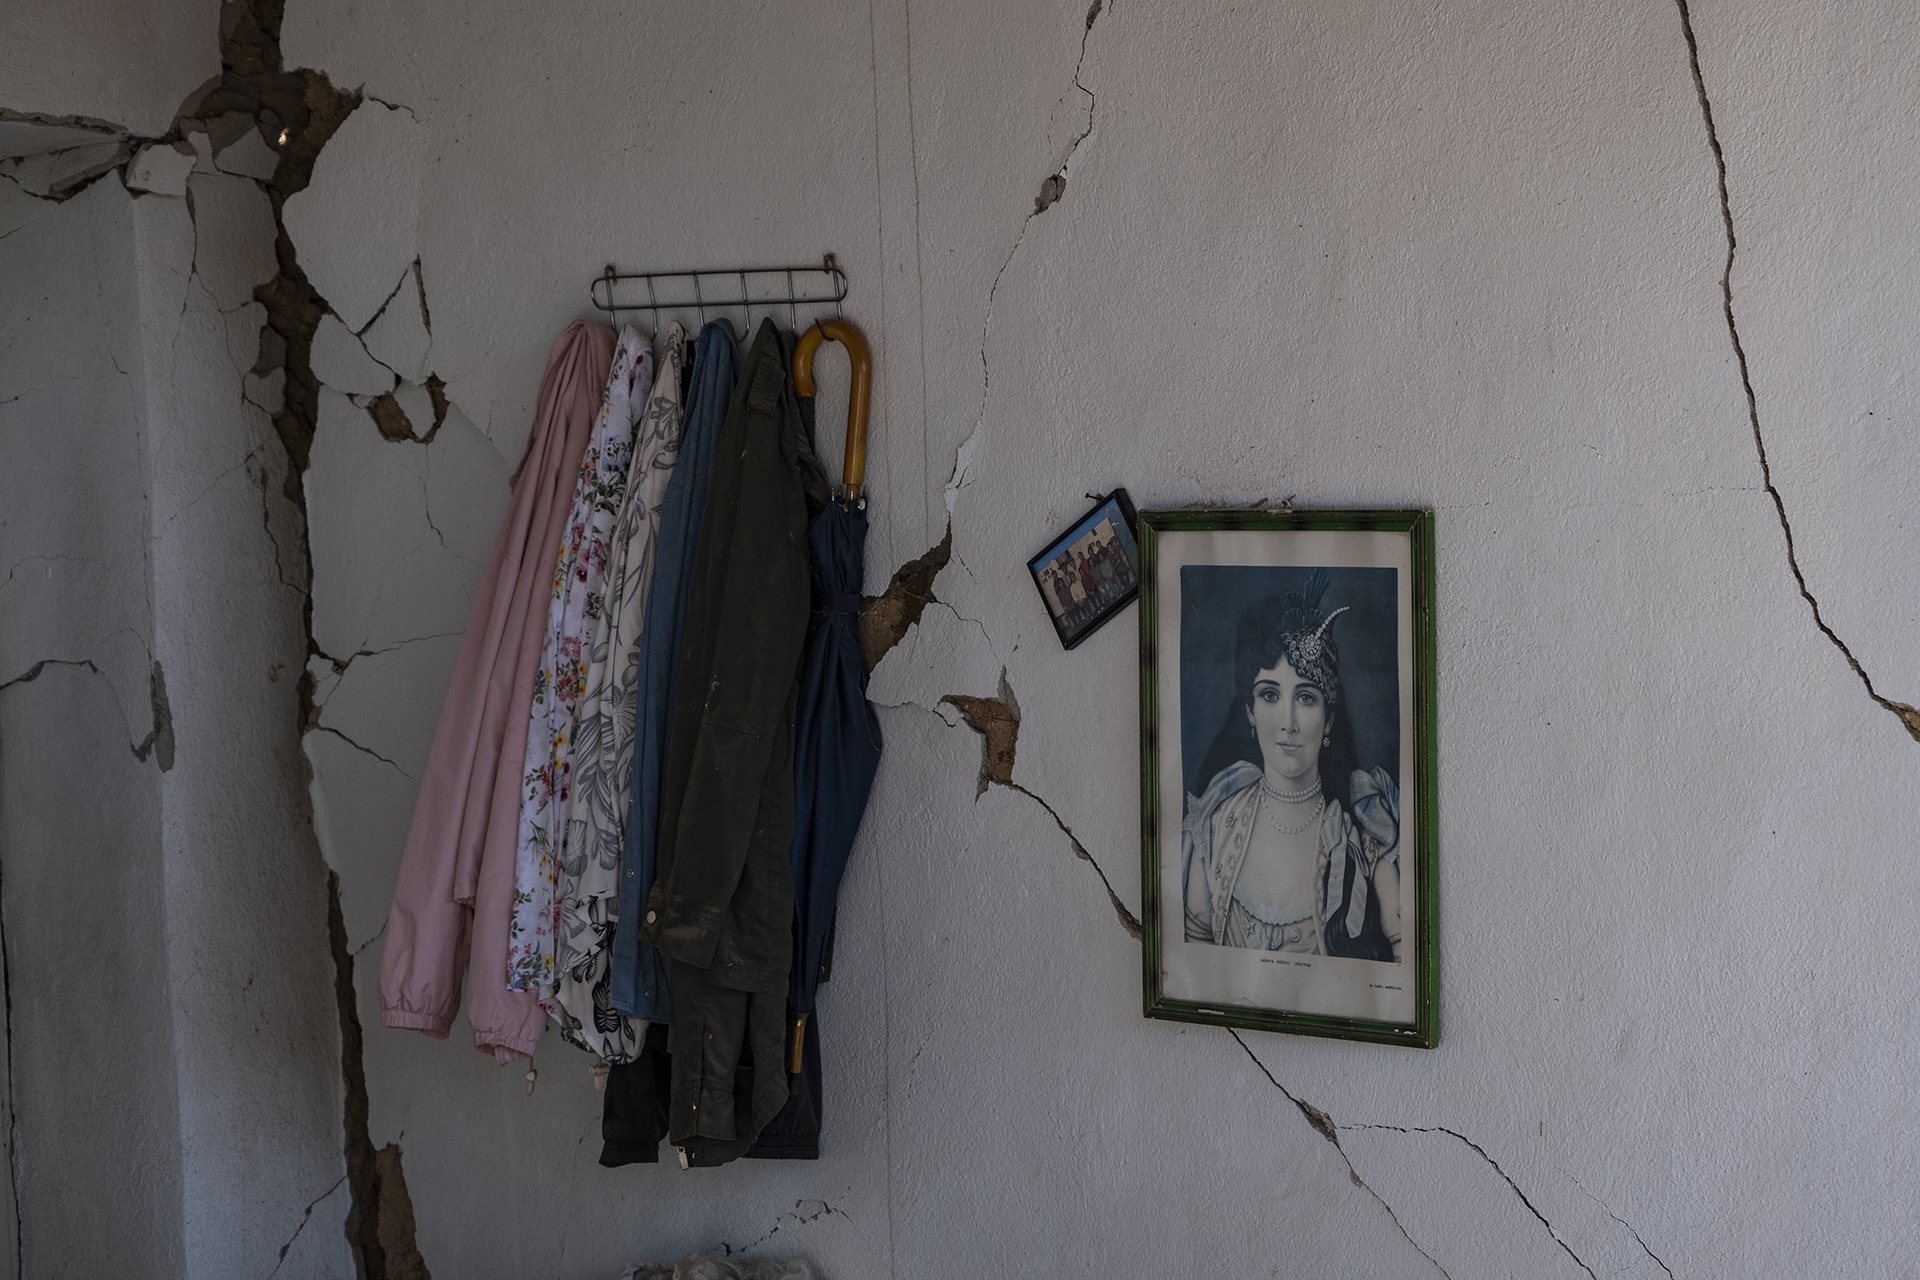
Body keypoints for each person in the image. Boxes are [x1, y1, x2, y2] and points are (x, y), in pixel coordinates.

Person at [1181, 575, 1402, 961]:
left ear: (1328, 720)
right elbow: (1193, 962)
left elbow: (1404, 971)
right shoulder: (1215, 827)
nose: (1288, 722)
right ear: (1250, 712)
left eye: (1306, 697)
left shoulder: (1366, 840)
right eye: (1269, 695)